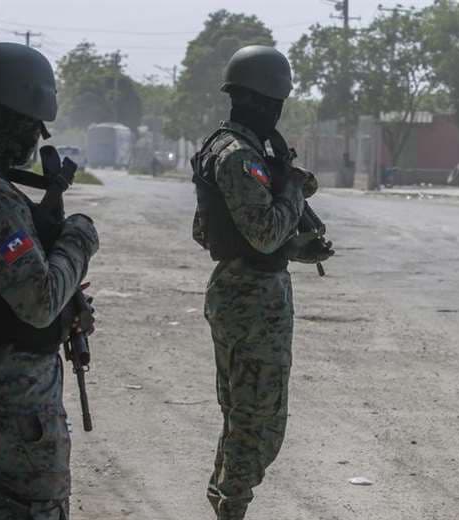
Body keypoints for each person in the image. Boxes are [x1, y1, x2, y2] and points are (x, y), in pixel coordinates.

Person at [0, 43, 100, 519]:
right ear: (13, 122)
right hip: (10, 409)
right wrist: (78, 237)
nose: (35, 140)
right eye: (34, 127)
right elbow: (39, 299)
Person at [191, 45, 333, 520]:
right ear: (264, 100)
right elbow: (265, 230)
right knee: (257, 423)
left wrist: (297, 249)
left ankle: (225, 500)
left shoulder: (229, 148)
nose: (279, 111)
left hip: (245, 290)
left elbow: (214, 231)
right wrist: (292, 188)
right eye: (277, 101)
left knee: (245, 416)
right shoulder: (238, 156)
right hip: (250, 299)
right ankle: (231, 507)